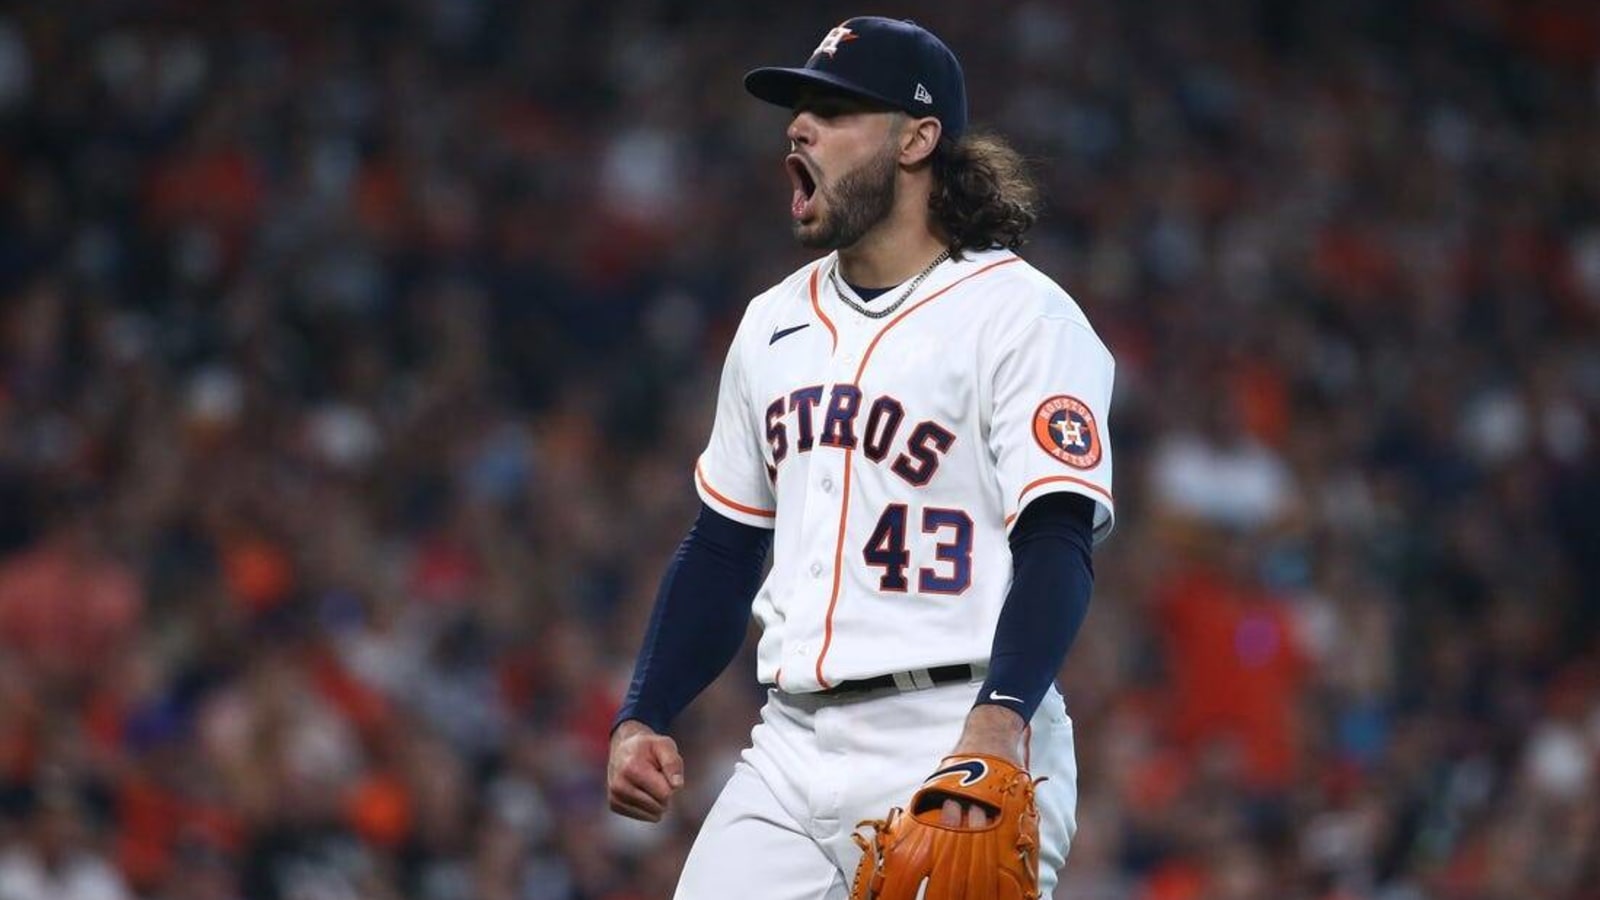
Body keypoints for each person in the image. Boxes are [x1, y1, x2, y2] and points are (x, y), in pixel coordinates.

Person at [606, 16, 1115, 897]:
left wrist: (1002, 717)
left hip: (953, 728)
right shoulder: (773, 323)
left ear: (919, 139)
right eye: (799, 109)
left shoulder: (1021, 316)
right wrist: (643, 712)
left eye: (835, 110)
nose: (799, 127)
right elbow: (723, 546)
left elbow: (1057, 541)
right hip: (791, 745)